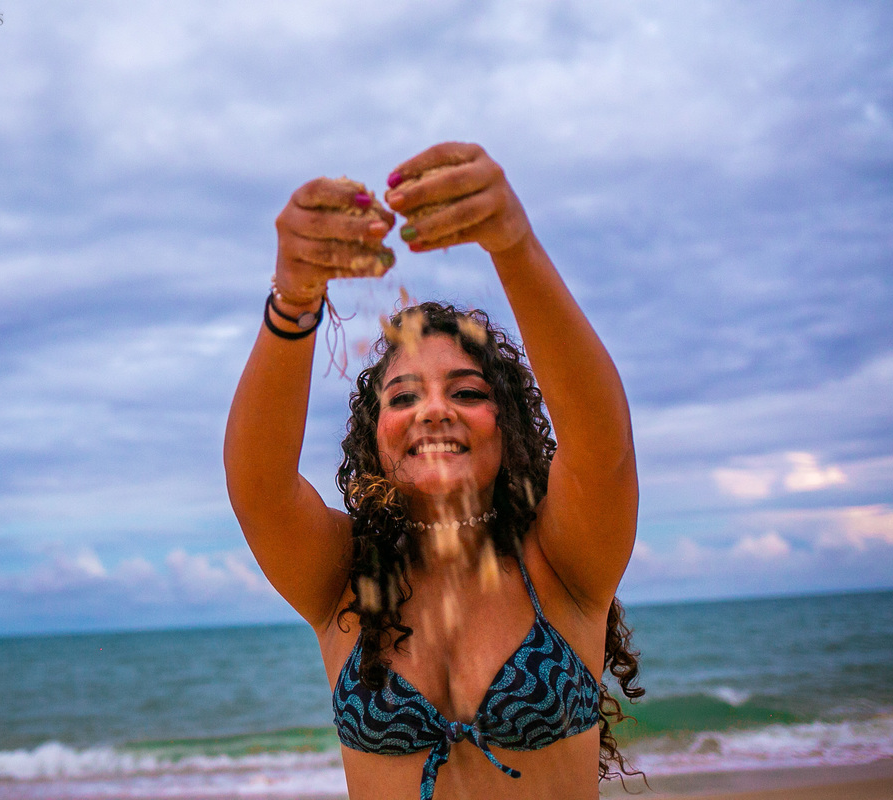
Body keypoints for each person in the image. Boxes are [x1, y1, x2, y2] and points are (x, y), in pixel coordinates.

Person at [224, 142, 642, 800]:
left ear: (507, 429)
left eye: (469, 392)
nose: (435, 410)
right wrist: (295, 299)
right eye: (404, 396)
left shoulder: (564, 561)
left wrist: (514, 245)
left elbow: (603, 445)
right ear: (374, 437)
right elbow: (259, 490)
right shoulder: (342, 577)